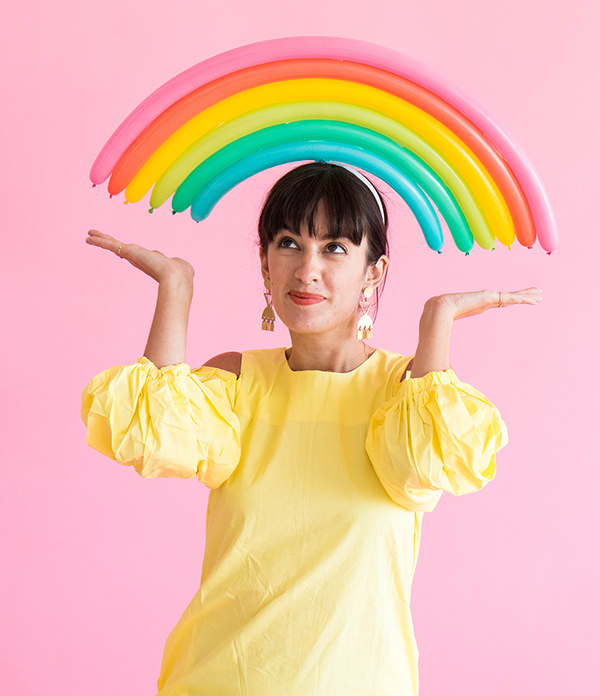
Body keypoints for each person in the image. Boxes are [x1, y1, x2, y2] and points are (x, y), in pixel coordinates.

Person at [81, 162, 541, 696]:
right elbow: (149, 433)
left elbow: (421, 468)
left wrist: (436, 321)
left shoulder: (407, 396)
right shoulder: (236, 379)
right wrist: (175, 287)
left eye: (335, 248)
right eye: (288, 243)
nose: (306, 270)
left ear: (375, 271)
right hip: (217, 680)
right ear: (264, 261)